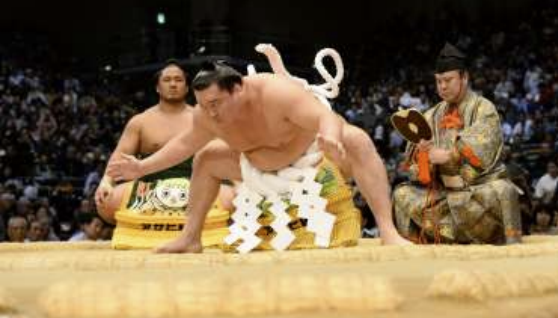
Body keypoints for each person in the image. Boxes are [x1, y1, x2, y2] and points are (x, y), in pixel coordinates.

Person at [108, 57, 409, 253]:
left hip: (310, 159)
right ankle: (191, 236)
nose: (210, 111)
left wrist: (330, 138)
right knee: (207, 156)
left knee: (357, 139)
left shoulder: (276, 93)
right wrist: (142, 168)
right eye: (203, 104)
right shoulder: (207, 115)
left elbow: (323, 117)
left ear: (238, 88)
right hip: (253, 168)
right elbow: (184, 145)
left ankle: (387, 229)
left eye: (216, 102)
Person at [393, 43, 522, 244]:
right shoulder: (430, 115)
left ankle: (511, 242)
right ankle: (413, 247)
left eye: (448, 80)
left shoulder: (483, 108)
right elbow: (411, 165)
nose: (442, 87)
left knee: (504, 190)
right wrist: (424, 158)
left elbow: (483, 147)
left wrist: (450, 154)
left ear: (464, 77)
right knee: (401, 194)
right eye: (438, 81)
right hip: (443, 193)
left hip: (477, 189)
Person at [94, 61, 232, 248]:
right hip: (148, 188)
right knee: (107, 201)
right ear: (157, 87)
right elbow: (120, 157)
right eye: (167, 80)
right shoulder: (140, 122)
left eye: (178, 80)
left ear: (186, 87)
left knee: (234, 199)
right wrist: (106, 182)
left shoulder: (205, 118)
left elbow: (224, 154)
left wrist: (239, 184)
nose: (173, 84)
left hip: (198, 184)